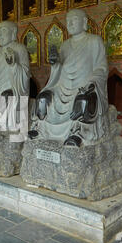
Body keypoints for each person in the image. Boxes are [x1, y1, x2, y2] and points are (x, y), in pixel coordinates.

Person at [29, 8, 109, 147]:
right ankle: (40, 129)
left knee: (83, 99)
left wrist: (92, 83)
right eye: (68, 21)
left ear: (84, 22)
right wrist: (55, 63)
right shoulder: (65, 45)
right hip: (63, 87)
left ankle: (77, 134)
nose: (70, 23)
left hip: (84, 85)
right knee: (43, 97)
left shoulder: (94, 41)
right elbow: (59, 71)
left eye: (74, 20)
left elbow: (101, 67)